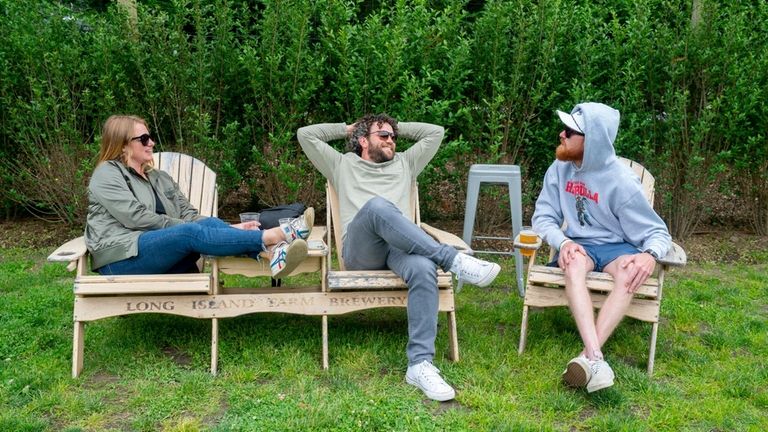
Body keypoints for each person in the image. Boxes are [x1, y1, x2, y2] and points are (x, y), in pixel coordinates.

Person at [297, 114, 501, 402]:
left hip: (400, 250)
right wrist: (350, 129)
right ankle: (453, 260)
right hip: (361, 252)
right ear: (363, 141)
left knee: (423, 267)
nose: (391, 140)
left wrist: (394, 126)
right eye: (383, 135)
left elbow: (436, 131)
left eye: (393, 136)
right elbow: (306, 134)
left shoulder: (406, 162)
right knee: (377, 207)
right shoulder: (341, 164)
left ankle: (419, 364)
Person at [532, 102, 672, 392]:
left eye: (570, 131)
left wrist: (649, 255)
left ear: (591, 140)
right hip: (578, 245)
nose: (562, 134)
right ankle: (595, 357)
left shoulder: (622, 182)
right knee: (572, 263)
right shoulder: (559, 168)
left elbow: (657, 232)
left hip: (616, 247)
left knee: (630, 271)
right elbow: (543, 217)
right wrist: (563, 241)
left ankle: (587, 357)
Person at [85, 115, 313, 278]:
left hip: (159, 250)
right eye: (144, 139)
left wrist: (221, 229)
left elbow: (188, 213)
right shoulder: (107, 173)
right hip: (121, 258)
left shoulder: (158, 177)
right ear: (123, 145)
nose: (151, 142)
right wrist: (194, 230)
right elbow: (135, 218)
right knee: (190, 232)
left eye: (150, 137)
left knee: (208, 222)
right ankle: (277, 235)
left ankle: (274, 254)